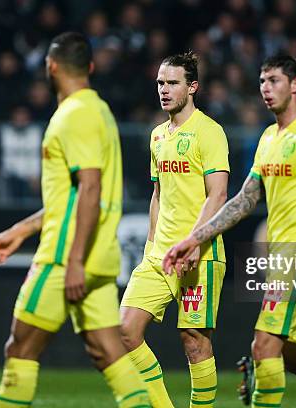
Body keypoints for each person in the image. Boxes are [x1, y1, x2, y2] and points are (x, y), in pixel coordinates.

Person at [163, 53, 296, 407]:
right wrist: (196, 237)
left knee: (264, 345)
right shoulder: (269, 138)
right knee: (295, 356)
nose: (265, 89)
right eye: (261, 81)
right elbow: (244, 201)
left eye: (273, 80)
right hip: (284, 257)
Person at [0, 32, 150, 408]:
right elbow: (75, 194)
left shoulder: (74, 115)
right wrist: (22, 229)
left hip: (65, 257)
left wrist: (73, 259)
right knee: (107, 352)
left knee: (21, 347)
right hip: (98, 256)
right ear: (90, 68)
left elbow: (89, 188)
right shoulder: (101, 112)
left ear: (50, 66)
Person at [120, 51, 229, 408]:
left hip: (202, 255)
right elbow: (158, 195)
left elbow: (219, 194)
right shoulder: (157, 136)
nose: (164, 90)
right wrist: (152, 246)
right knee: (124, 332)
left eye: (172, 83)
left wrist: (196, 241)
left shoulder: (210, 132)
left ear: (192, 86)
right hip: (160, 255)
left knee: (194, 342)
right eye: (160, 83)